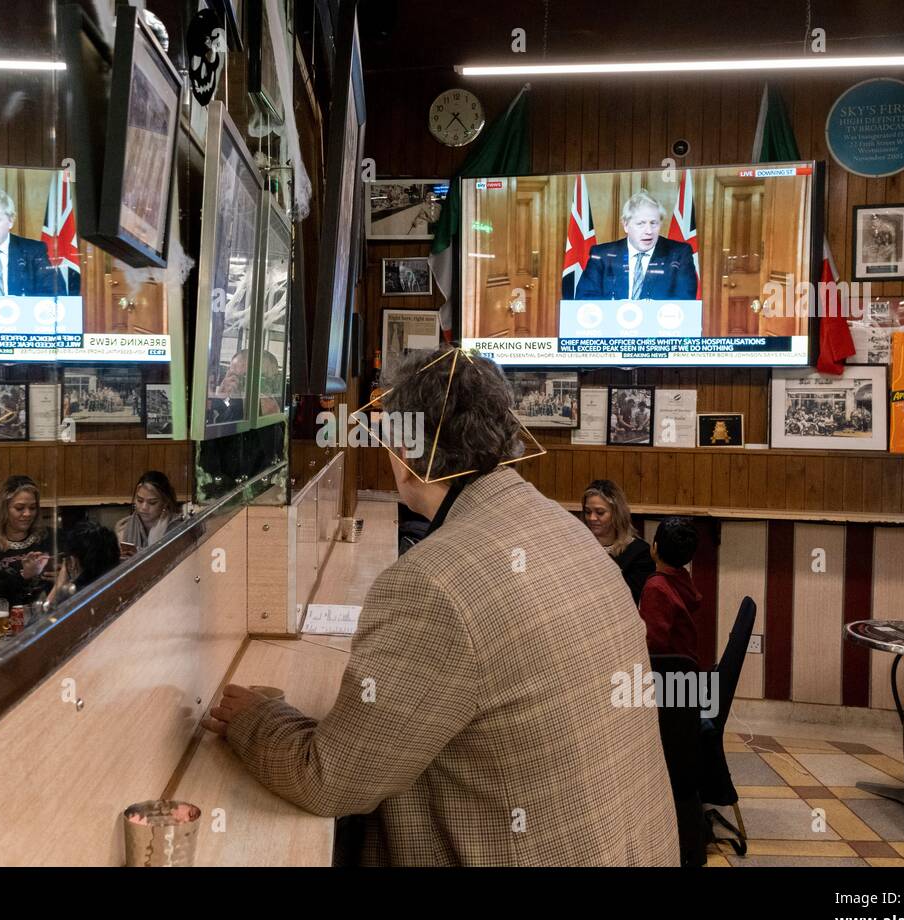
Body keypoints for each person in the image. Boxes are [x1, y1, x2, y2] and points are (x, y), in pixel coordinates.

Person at [203, 347, 679, 866]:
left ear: (409, 449)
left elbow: (332, 780)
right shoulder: (565, 528)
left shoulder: (432, 584)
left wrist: (255, 719)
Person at [573, 190, 698, 301]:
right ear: (626, 225)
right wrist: (618, 310)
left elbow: (685, 300)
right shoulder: (602, 255)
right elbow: (584, 298)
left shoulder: (679, 254)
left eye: (654, 223)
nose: (649, 230)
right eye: (641, 223)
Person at [0, 474, 55, 615]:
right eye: (20, 508)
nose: (27, 514)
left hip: (46, 619)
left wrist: (62, 577)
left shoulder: (49, 537)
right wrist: (23, 576)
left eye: (32, 508)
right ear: (3, 510)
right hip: (3, 624)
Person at [638, 517, 703, 662]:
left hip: (667, 673)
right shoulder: (682, 577)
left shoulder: (656, 588)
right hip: (686, 668)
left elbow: (653, 643)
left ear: (654, 547)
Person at [582, 478, 654, 604]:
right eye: (588, 512)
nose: (592, 518)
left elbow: (630, 599)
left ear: (616, 514)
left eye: (600, 512)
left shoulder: (639, 552)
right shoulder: (578, 545)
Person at [44, 521, 121, 608]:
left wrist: (58, 585)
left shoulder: (72, 600)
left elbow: (37, 621)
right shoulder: (119, 586)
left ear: (73, 561)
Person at [115, 471, 179, 554]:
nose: (144, 507)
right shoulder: (123, 528)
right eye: (140, 500)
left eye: (152, 503)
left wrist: (156, 541)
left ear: (165, 502)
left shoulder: (178, 528)